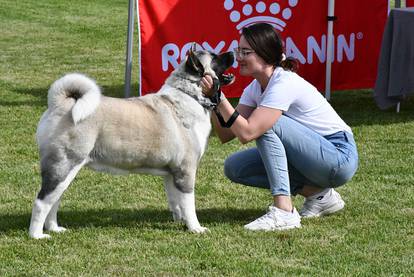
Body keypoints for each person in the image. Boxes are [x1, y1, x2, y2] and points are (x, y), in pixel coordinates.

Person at [200, 23, 359, 231]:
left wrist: (219, 97)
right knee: (235, 167)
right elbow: (226, 133)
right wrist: (212, 99)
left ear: (266, 55)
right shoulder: (255, 87)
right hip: (314, 159)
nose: (238, 57)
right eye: (238, 50)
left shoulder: (283, 82)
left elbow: (248, 132)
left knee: (267, 124)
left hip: (338, 157)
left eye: (245, 52)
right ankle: (320, 196)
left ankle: (284, 212)